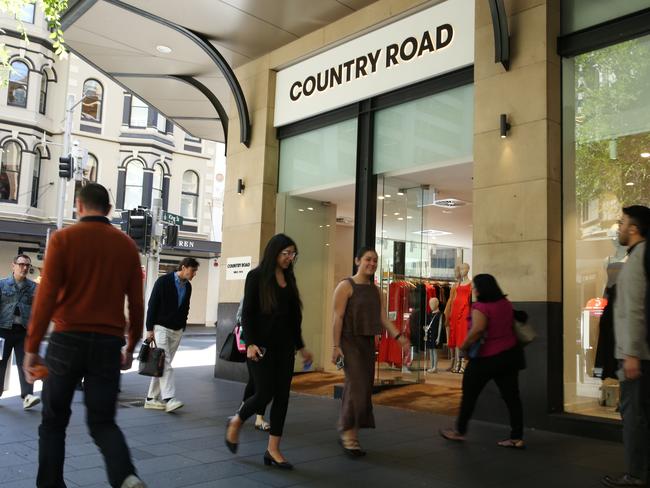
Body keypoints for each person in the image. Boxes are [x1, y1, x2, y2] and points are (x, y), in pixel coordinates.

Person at [23, 183, 146, 488]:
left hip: (67, 341)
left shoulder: (63, 240)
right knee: (103, 422)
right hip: (107, 344)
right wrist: (131, 344)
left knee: (53, 422)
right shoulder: (127, 246)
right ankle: (126, 477)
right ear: (108, 210)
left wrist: (31, 348)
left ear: (79, 205)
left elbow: (46, 298)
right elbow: (137, 301)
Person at [225, 234, 312, 470]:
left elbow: (295, 318)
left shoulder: (290, 278)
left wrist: (302, 346)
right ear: (274, 252)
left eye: (293, 253)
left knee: (282, 397)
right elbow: (249, 314)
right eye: (286, 253)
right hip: (260, 347)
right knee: (264, 393)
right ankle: (237, 421)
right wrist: (251, 343)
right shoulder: (256, 277)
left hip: (285, 348)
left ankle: (273, 450)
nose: (289, 258)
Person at [331, 247, 409, 456]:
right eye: (368, 259)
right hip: (349, 341)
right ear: (357, 260)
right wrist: (336, 346)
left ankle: (348, 429)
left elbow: (383, 318)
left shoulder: (376, 291)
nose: (372, 264)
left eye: (375, 260)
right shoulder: (345, 286)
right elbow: (337, 317)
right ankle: (349, 436)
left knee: (362, 388)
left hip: (366, 343)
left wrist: (400, 338)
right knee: (357, 386)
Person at [440, 273, 525, 449]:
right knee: (512, 397)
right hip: (509, 356)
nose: (473, 290)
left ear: (481, 289)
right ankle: (517, 437)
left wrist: (463, 346)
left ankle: (459, 431)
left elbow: (478, 330)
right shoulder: (506, 304)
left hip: (486, 358)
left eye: (475, 287)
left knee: (469, 395)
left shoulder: (481, 307)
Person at [602, 205, 650, 488]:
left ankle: (635, 474)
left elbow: (633, 310)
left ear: (634, 228)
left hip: (636, 355)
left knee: (633, 415)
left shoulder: (637, 259)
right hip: (642, 353)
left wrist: (631, 353)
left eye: (622, 223)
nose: (618, 227)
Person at [144, 257, 198, 413]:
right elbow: (152, 305)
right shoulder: (163, 281)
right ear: (184, 267)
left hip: (177, 330)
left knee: (161, 364)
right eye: (193, 270)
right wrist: (149, 329)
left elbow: (185, 307)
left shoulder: (188, 287)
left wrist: (183, 325)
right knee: (166, 361)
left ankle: (151, 398)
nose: (194, 274)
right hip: (160, 327)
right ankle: (169, 398)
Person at [0, 254, 40, 409]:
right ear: (13, 265)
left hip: (23, 332)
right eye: (21, 264)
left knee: (26, 363)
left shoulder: (34, 288)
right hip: (2, 331)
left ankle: (28, 396)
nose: (24, 268)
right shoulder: (2, 285)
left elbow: (37, 311)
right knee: (0, 363)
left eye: (27, 266)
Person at [236, 297, 270, 431]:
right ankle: (251, 416)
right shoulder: (251, 294)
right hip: (253, 345)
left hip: (270, 344)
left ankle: (246, 415)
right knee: (258, 382)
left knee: (258, 381)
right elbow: (239, 317)